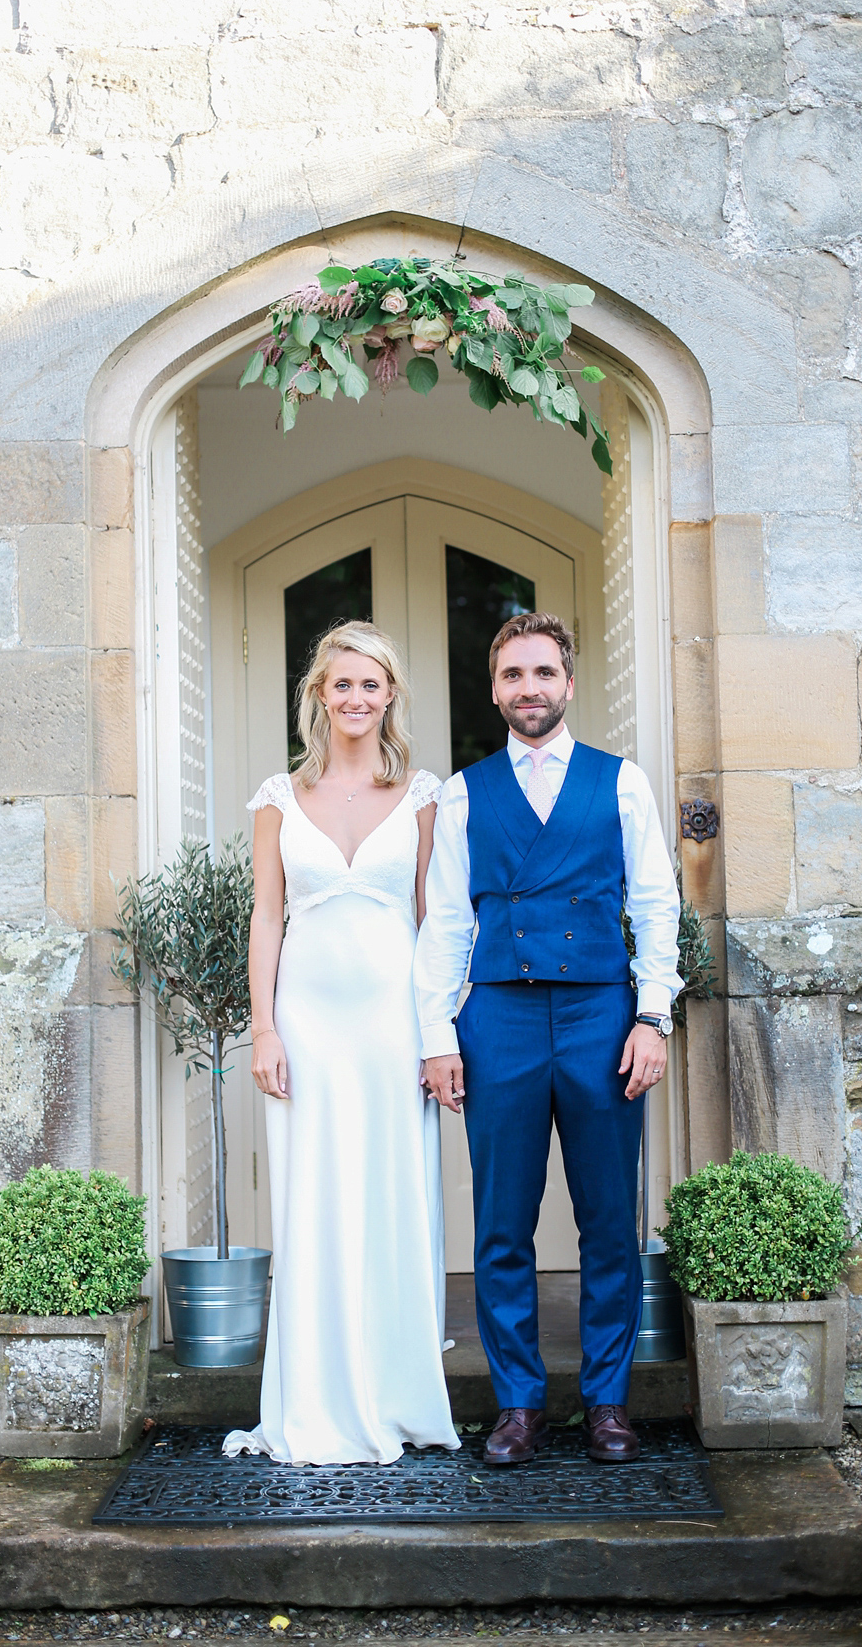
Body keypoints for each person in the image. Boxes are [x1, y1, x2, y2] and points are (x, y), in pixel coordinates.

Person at [414, 612, 682, 1468]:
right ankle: (518, 1404)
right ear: (493, 689)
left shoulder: (622, 783)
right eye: (513, 676)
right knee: (502, 1224)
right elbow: (448, 922)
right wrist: (436, 1037)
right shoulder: (463, 792)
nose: (529, 689)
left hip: (604, 1015)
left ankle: (607, 1403)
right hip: (499, 1017)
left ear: (568, 683)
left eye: (543, 673)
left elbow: (656, 907)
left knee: (607, 1219)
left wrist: (652, 1017)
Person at [223, 620, 460, 1466]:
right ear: (318, 696)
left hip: (395, 1023)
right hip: (310, 1024)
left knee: (395, 1194)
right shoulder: (277, 798)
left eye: (371, 684)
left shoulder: (427, 794)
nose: (356, 698)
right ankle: (318, 1401)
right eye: (341, 684)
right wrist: (264, 1027)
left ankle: (395, 1395)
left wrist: (443, 1034)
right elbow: (267, 915)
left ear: (390, 695)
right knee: (314, 1200)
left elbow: (438, 920)